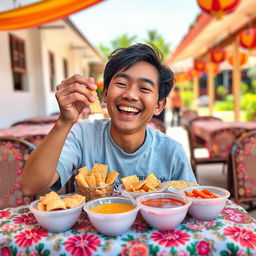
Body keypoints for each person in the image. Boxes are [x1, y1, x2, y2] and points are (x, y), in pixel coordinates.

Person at [20, 43, 196, 196]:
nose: (130, 94)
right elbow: (30, 186)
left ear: (159, 105)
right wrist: (64, 122)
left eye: (144, 88)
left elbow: (193, 201)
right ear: (105, 94)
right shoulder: (82, 135)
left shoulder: (172, 153)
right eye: (121, 84)